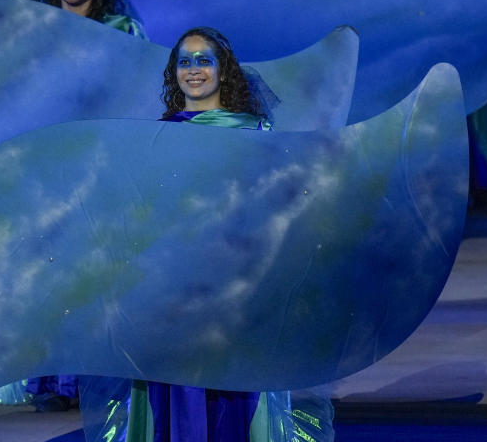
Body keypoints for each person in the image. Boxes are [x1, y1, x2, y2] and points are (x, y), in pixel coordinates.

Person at [80, 28, 332, 442]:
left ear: (222, 70)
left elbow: (279, 209)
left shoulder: (256, 134)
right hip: (173, 291)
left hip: (237, 289)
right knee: (176, 397)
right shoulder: (157, 138)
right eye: (184, 61)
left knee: (235, 395)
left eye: (203, 60)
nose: (193, 70)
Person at [0, 0, 147, 412]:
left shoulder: (122, 31)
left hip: (104, 167)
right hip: (48, 167)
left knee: (102, 272)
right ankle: (58, 382)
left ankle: (103, 377)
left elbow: (142, 94)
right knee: (51, 271)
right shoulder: (35, 29)